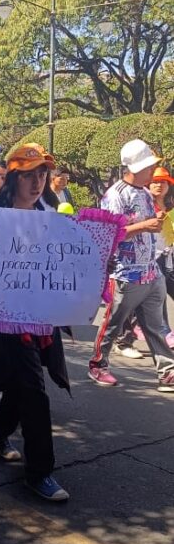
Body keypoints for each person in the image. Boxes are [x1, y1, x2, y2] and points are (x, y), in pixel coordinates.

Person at [0, 144, 69, 502]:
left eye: (42, 174)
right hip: (7, 320)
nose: (37, 181)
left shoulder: (51, 218)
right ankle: (40, 472)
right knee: (34, 392)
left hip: (42, 319)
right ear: (13, 178)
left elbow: (63, 268)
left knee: (19, 387)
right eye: (28, 174)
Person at [88, 139, 174, 392]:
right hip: (125, 274)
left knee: (156, 325)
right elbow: (109, 232)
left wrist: (155, 219)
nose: (152, 172)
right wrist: (144, 226)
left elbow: (148, 224)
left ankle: (167, 371)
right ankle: (98, 364)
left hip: (150, 270)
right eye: (149, 167)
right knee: (113, 323)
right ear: (134, 168)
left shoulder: (145, 193)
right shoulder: (115, 195)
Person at [149, 166, 174, 347]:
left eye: (163, 182)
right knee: (159, 295)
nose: (159, 185)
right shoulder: (144, 203)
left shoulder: (171, 204)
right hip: (150, 257)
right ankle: (165, 332)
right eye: (155, 181)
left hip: (168, 255)